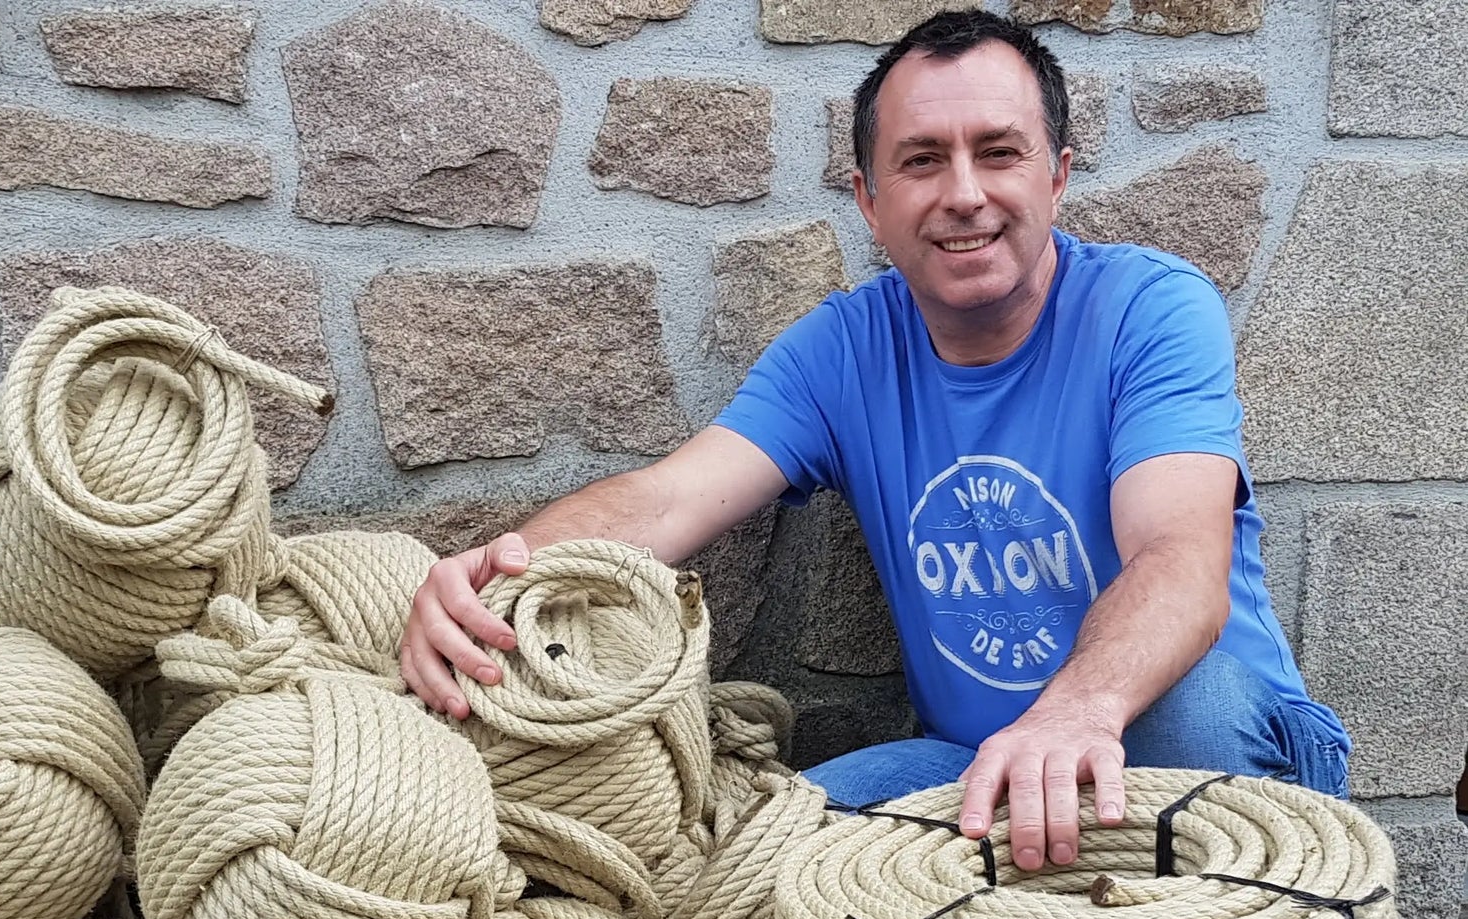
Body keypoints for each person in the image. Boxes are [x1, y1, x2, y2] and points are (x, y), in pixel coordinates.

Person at [398, 7, 1350, 875]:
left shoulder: (1150, 309)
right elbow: (669, 499)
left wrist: (1076, 713)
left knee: (1198, 710)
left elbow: (1181, 558)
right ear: (869, 197)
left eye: (1000, 153)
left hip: (1194, 730)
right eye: (923, 159)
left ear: (1056, 174)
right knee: (769, 854)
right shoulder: (842, 351)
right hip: (975, 764)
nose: (965, 194)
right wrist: (501, 575)